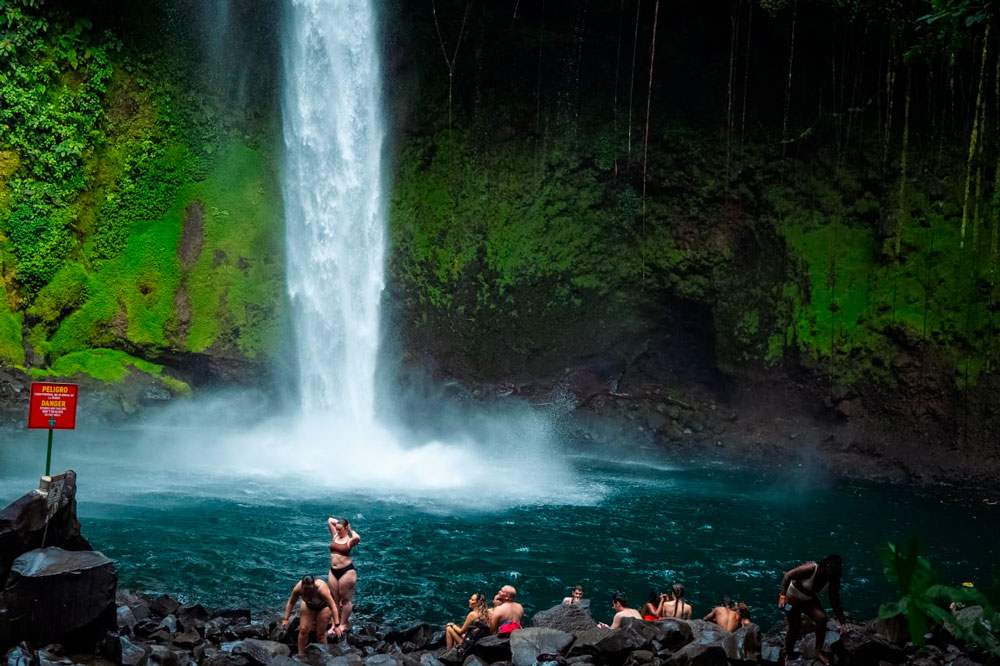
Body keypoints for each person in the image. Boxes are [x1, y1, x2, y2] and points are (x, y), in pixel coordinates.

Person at [780, 555, 847, 666]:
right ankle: (788, 654)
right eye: (830, 571)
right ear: (827, 566)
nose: (830, 575)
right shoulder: (811, 568)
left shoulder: (833, 580)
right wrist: (782, 596)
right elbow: (788, 575)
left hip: (808, 600)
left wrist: (842, 621)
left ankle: (818, 651)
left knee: (822, 618)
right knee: (794, 627)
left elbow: (835, 602)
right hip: (792, 598)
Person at [282, 575, 340, 657]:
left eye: (310, 588)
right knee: (303, 630)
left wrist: (336, 625)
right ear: (302, 586)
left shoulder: (321, 589)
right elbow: (291, 602)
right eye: (305, 588)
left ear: (314, 585)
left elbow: (333, 606)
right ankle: (300, 654)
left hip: (323, 607)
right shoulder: (298, 588)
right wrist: (285, 619)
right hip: (308, 606)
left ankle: (325, 655)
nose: (307, 591)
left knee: (320, 634)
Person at [327, 516, 360, 636]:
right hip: (333, 571)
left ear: (346, 528)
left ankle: (343, 624)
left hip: (347, 572)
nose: (338, 531)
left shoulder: (350, 540)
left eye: (341, 529)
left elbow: (357, 537)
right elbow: (330, 520)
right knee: (334, 599)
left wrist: (350, 529)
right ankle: (334, 624)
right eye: (337, 529)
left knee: (345, 600)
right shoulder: (335, 535)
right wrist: (339, 524)